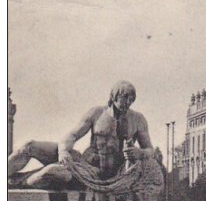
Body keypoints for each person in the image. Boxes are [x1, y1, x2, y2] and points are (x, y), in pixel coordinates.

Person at [8, 80, 155, 188]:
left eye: (131, 99)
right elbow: (72, 135)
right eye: (125, 97)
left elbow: (150, 150)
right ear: (114, 96)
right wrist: (64, 151)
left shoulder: (138, 120)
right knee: (29, 146)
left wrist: (139, 153)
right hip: (82, 161)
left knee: (52, 171)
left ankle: (14, 181)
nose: (128, 102)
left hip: (97, 174)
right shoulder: (97, 113)